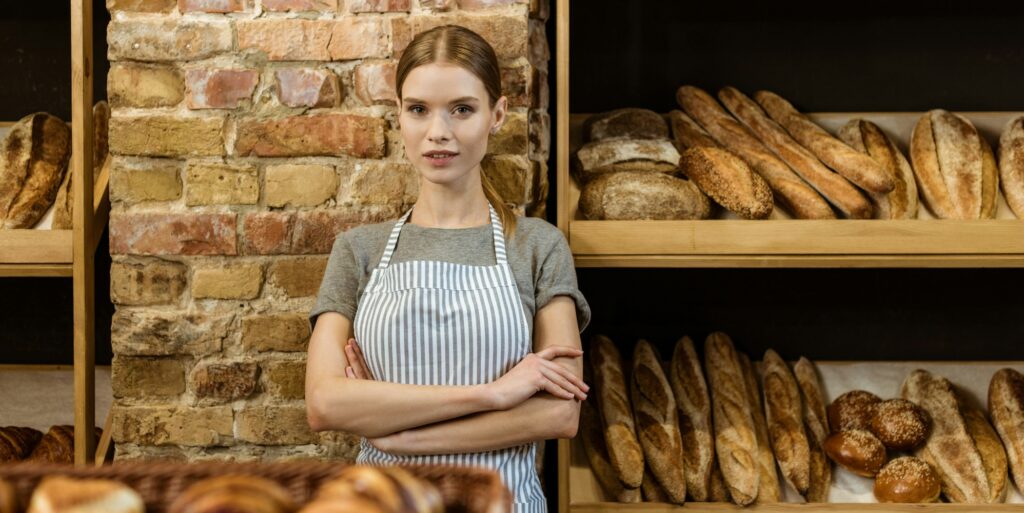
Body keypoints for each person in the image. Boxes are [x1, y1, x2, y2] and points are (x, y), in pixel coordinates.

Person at [305, 24, 591, 513]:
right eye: (418, 109)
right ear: (399, 115)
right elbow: (325, 404)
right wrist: (496, 394)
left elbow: (559, 413)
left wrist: (403, 437)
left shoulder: (538, 246)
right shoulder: (359, 250)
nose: (438, 132)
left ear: (496, 115)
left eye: (462, 109)